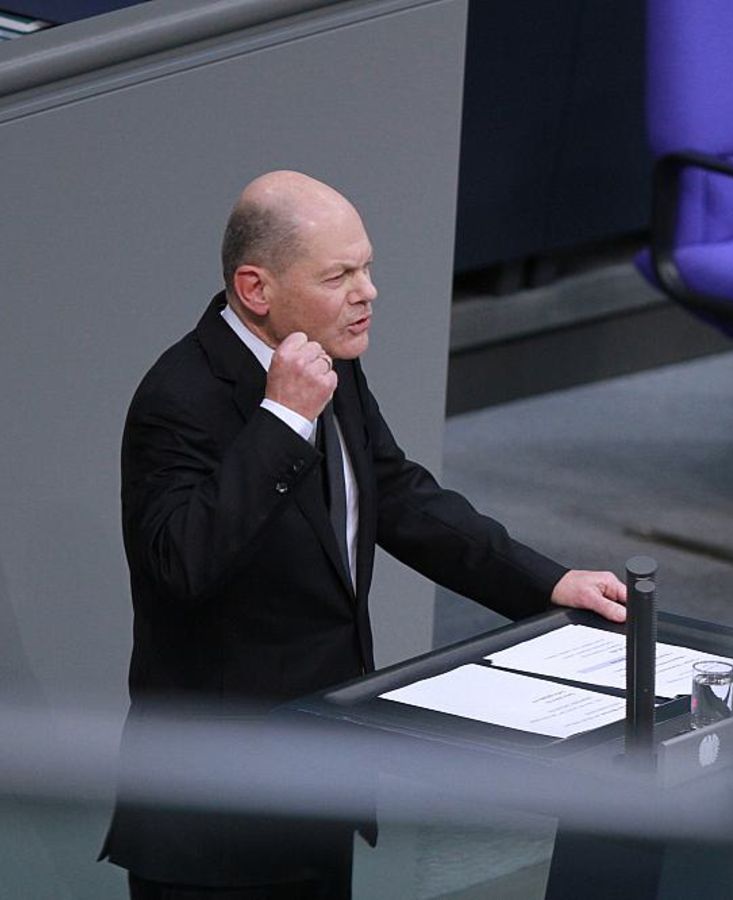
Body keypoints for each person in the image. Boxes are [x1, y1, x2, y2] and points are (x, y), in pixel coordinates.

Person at [101, 171, 628, 898]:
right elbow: (181, 565)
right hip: (215, 819)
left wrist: (548, 582)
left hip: (321, 780)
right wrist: (283, 421)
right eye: (339, 276)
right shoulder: (179, 397)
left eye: (367, 268)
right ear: (256, 289)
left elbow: (398, 495)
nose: (368, 292)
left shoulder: (330, 363)